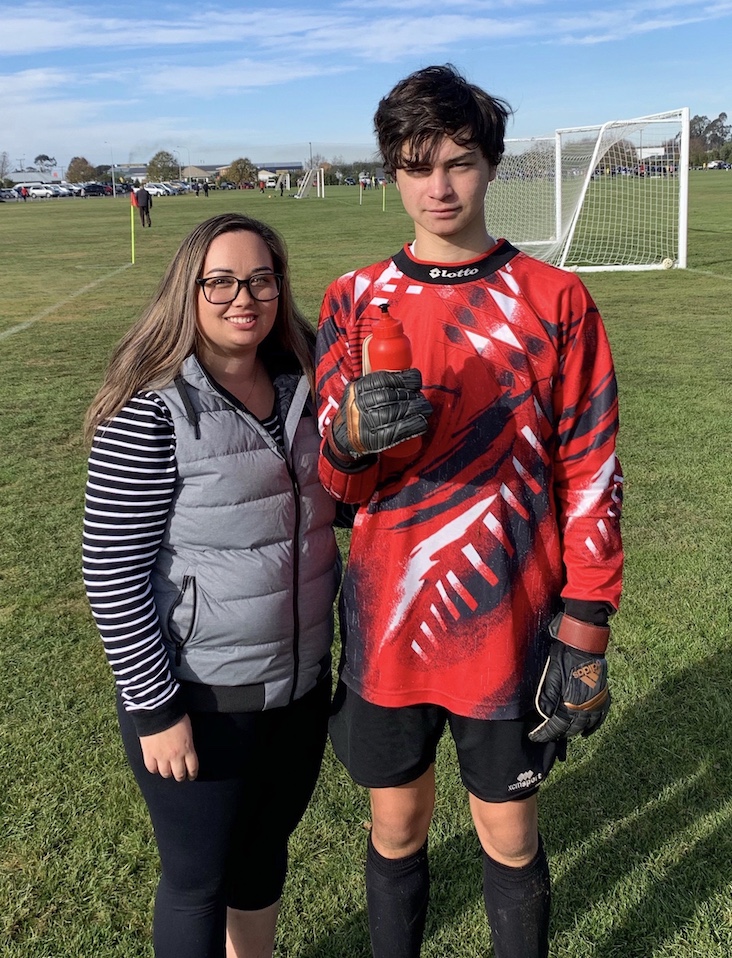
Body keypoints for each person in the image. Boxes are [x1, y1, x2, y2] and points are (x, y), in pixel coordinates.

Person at [315, 63, 623, 958]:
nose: (439, 186)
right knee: (397, 831)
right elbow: (340, 498)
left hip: (507, 621)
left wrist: (586, 627)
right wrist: (348, 445)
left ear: (491, 165)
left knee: (509, 838)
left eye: (458, 161)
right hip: (390, 620)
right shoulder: (354, 299)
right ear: (392, 173)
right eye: (417, 165)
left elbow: (591, 470)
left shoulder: (555, 300)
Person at [83, 212, 341, 958]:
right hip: (200, 697)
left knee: (262, 859)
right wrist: (156, 708)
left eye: (261, 278)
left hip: (296, 688)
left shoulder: (311, 384)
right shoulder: (151, 410)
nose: (244, 297)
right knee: (198, 879)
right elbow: (111, 573)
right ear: (187, 291)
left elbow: (339, 505)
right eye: (220, 281)